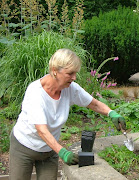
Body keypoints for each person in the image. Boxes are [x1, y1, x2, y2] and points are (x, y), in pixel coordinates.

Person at [9, 48, 126, 180]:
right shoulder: (35, 93)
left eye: (75, 73)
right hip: (24, 146)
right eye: (70, 73)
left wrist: (111, 113)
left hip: (49, 151)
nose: (74, 78)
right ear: (55, 71)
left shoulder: (70, 88)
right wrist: (62, 152)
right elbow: (41, 130)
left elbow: (94, 104)